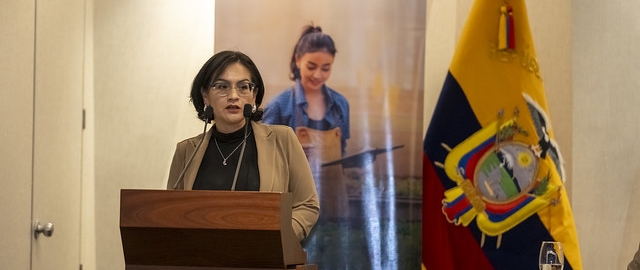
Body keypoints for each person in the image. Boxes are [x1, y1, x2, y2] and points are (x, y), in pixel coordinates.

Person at [166, 50, 319, 241]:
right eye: (222, 86)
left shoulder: (283, 139)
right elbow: (170, 213)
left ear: (253, 95)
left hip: (262, 259)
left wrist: (277, 238)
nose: (233, 96)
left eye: (243, 87)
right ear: (205, 95)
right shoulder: (186, 151)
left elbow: (307, 205)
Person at [262, 24, 350, 157]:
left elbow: (342, 152)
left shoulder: (341, 103)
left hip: (332, 177)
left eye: (325, 68)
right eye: (311, 67)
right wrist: (292, 153)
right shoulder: (278, 106)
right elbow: (264, 154)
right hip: (293, 178)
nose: (317, 75)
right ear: (298, 60)